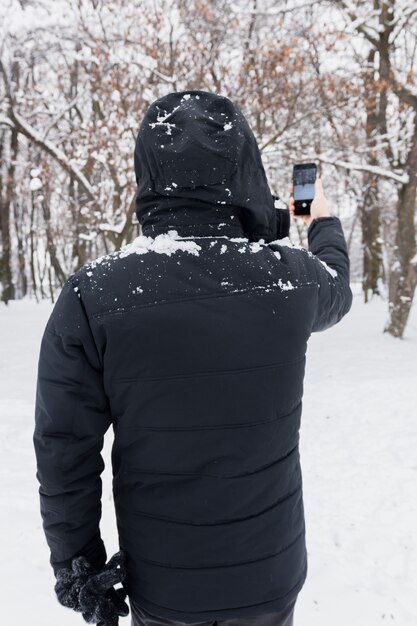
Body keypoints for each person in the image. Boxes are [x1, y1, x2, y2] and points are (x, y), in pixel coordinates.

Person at [33, 90, 353, 626]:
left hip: (166, 585)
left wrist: (78, 564)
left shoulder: (96, 295)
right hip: (268, 578)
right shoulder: (288, 278)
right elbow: (338, 285)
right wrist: (319, 214)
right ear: (245, 169)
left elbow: (65, 447)